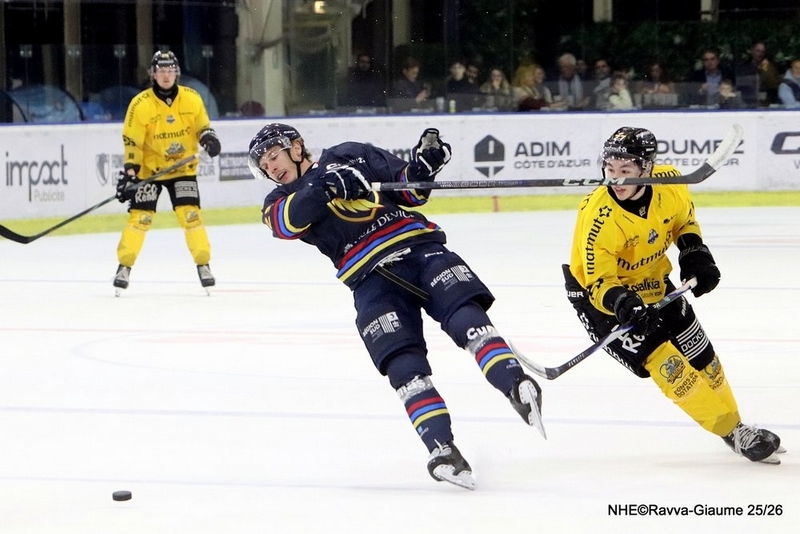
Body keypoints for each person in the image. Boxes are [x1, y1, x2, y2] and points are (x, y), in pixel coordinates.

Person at [249, 123, 545, 489]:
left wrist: (423, 168)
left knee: (466, 319)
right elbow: (285, 221)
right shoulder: (277, 201)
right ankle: (442, 448)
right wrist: (324, 186)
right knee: (403, 366)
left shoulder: (350, 152)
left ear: (296, 148)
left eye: (274, 156)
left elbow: (409, 190)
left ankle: (516, 384)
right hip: (371, 280)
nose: (271, 167)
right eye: (264, 164)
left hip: (421, 250)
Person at [561, 126, 783, 464]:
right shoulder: (597, 216)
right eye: (610, 169)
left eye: (625, 171)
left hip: (655, 283)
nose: (615, 180)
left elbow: (683, 222)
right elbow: (598, 282)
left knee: (703, 358)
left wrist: (693, 251)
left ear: (647, 169)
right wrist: (623, 304)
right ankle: (732, 431)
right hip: (604, 302)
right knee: (672, 367)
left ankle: (735, 424)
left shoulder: (671, 183)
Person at [113, 50, 222, 295]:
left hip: (182, 169)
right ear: (153, 73)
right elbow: (132, 141)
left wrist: (209, 139)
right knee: (141, 218)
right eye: (161, 70)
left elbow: (203, 127)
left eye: (170, 70)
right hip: (150, 170)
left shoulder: (192, 99)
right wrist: (131, 171)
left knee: (191, 216)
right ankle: (124, 267)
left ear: (177, 73)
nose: (165, 75)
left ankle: (203, 265)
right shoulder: (140, 104)